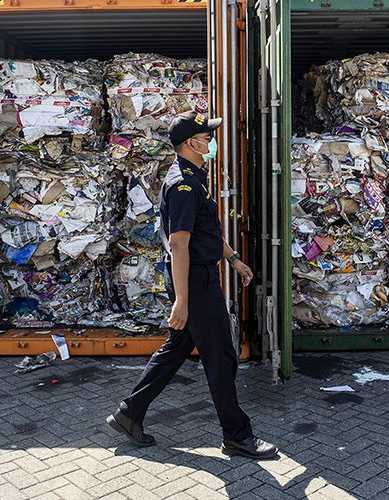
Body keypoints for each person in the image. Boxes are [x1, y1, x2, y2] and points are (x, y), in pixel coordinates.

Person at [107, 111, 278, 460]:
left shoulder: (194, 177)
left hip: (196, 278)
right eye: (206, 137)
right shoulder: (182, 184)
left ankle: (129, 413)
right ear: (191, 143)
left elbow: (205, 232)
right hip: (194, 282)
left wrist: (233, 259)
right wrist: (182, 301)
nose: (210, 142)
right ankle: (238, 436)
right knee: (221, 356)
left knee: (177, 349)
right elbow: (180, 244)